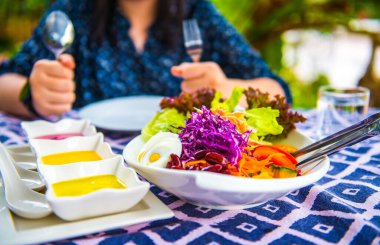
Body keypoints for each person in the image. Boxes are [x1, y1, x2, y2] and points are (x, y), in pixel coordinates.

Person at [0, 0, 291, 118]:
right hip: (88, 160)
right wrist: (33, 96)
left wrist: (228, 88)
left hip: (180, 169)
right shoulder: (73, 10)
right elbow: (5, 82)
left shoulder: (198, 14)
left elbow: (279, 93)